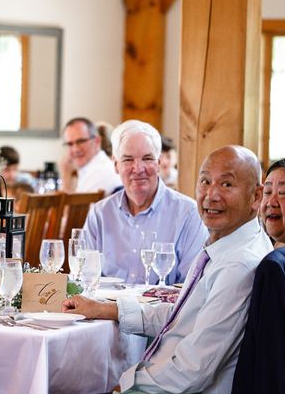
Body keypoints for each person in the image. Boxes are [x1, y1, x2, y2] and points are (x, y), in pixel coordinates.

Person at [47, 145, 273, 394]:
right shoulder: (229, 243)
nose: (210, 196)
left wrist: (132, 381)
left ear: (255, 197)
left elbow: (195, 369)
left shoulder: (237, 264)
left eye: (226, 184)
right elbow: (185, 314)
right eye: (204, 181)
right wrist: (109, 309)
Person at [82, 120, 207, 285]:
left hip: (161, 310)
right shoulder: (99, 214)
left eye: (147, 158)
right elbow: (85, 280)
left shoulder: (188, 214)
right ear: (115, 165)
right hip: (103, 308)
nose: (138, 168)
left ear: (159, 163)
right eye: (128, 160)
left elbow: (190, 289)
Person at [58, 117, 122, 195]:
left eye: (80, 141)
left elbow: (71, 207)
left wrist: (66, 177)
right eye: (70, 144)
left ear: (97, 141)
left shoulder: (99, 173)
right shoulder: (91, 169)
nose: (75, 149)